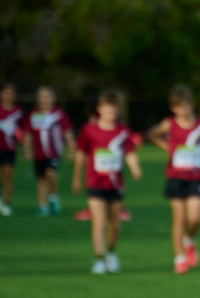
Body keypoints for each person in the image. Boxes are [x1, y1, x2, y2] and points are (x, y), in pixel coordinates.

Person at [72, 90, 142, 274]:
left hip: (116, 185)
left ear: (118, 111)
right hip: (95, 183)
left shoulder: (122, 131)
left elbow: (129, 152)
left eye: (114, 110)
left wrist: (135, 168)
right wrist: (76, 178)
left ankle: (111, 253)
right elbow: (81, 154)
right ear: (100, 109)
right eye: (107, 110)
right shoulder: (89, 131)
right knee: (99, 222)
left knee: (115, 225)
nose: (111, 114)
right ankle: (99, 258)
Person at [148, 85, 200, 274]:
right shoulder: (170, 124)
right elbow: (152, 134)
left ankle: (190, 240)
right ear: (173, 108)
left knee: (195, 218)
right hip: (176, 177)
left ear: (192, 105)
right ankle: (180, 258)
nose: (184, 109)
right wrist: (168, 147)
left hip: (195, 177)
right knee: (179, 218)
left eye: (187, 105)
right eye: (179, 106)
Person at [23, 86, 74, 217]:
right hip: (39, 153)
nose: (43, 99)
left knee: (50, 173)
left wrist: (71, 148)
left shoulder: (58, 114)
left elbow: (67, 131)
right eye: (41, 97)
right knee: (41, 179)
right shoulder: (34, 114)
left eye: (46, 96)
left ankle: (54, 198)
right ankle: (42, 206)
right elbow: (28, 133)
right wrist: (27, 149)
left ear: (53, 98)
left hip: (54, 153)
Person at [0, 83, 23, 216]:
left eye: (11, 93)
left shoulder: (18, 111)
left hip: (10, 148)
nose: (8, 95)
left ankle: (7, 203)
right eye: (6, 92)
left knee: (8, 174)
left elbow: (21, 130)